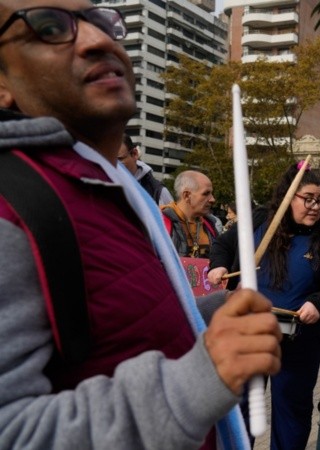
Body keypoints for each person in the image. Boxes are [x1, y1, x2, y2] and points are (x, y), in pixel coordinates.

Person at [0, 2, 282, 448]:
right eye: (50, 27)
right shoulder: (12, 205)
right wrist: (198, 380)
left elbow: (116, 324)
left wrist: (203, 318)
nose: (97, 40)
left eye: (97, 21)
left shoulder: (110, 188)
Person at [208, 163, 320, 450]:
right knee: (240, 408)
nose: (315, 206)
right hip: (248, 333)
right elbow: (223, 245)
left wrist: (318, 303)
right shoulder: (260, 220)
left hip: (299, 340)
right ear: (289, 197)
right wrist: (219, 266)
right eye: (308, 199)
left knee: (292, 410)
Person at [161, 170, 221, 258]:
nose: (212, 199)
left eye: (211, 193)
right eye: (206, 194)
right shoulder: (161, 222)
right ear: (186, 195)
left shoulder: (211, 224)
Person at [116, 133, 174, 206]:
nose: (112, 165)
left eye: (119, 159)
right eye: (107, 160)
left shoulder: (158, 192)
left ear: (134, 154)